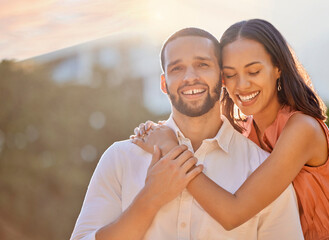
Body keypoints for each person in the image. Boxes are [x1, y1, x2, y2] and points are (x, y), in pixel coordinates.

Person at [132, 19, 329, 239]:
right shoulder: (245, 129)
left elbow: (233, 213)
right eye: (230, 75)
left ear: (278, 68)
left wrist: (172, 151)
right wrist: (162, 131)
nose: (241, 85)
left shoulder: (302, 128)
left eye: (253, 72)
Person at [70, 27, 304, 240]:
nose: (189, 77)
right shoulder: (120, 158)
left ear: (222, 77)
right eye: (177, 68)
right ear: (164, 83)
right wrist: (150, 198)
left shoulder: (262, 170)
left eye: (202, 65)